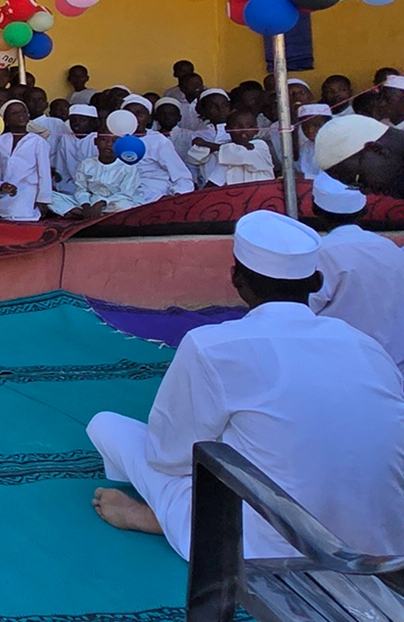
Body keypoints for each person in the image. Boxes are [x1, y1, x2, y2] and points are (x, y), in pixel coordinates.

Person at [85, 210, 404, 561]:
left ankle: (162, 517)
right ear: (316, 282)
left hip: (268, 545)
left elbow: (168, 457)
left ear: (237, 280)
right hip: (381, 543)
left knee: (108, 427)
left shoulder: (212, 346)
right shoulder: (365, 345)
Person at [310, 175, 404, 370]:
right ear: (364, 210)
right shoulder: (390, 249)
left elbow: (304, 309)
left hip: (343, 363)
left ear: (315, 209)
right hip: (395, 363)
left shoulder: (320, 253)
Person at [0, 100, 54, 221]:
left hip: (27, 190)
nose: (20, 115)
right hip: (5, 190)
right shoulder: (1, 140)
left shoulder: (37, 141)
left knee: (20, 214)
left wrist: (43, 199)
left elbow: (44, 172)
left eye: (23, 112)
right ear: (6, 120)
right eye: (14, 113)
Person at [123, 95, 194, 203]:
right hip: (122, 194)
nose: (134, 119)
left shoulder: (158, 140)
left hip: (154, 195)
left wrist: (175, 197)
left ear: (149, 119)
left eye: (139, 115)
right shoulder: (111, 139)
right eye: (129, 115)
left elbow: (181, 176)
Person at [57, 131, 144, 216]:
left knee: (124, 206)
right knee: (53, 198)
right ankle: (87, 213)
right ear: (95, 141)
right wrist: (86, 206)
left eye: (114, 141)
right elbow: (81, 189)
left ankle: (85, 214)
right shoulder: (86, 163)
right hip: (92, 201)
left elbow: (126, 194)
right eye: (104, 139)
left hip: (114, 202)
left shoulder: (128, 166)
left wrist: (102, 203)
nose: (109, 144)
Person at [52, 105, 97, 193]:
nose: (76, 123)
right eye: (73, 120)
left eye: (82, 120)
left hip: (95, 187)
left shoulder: (96, 139)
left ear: (93, 122)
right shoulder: (66, 138)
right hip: (70, 187)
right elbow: (61, 167)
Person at [296, 103, 333, 178]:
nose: (310, 130)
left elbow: (331, 179)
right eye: (305, 126)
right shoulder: (306, 146)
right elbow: (299, 168)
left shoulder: (335, 145)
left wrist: (303, 176)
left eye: (316, 125)